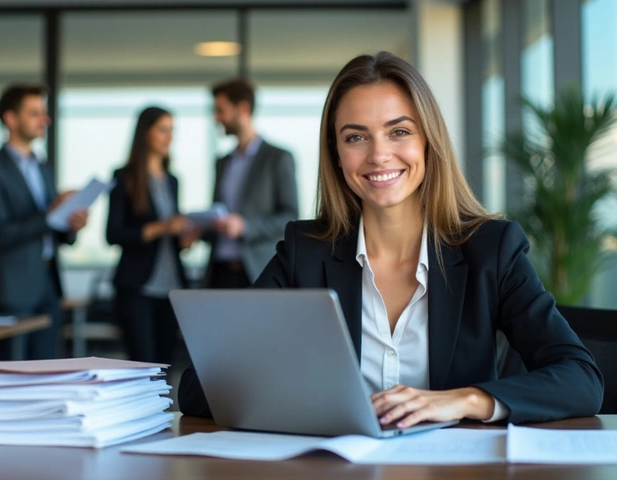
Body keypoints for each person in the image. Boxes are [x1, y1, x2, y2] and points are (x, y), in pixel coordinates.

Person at [178, 52, 604, 425]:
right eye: (356, 137)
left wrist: (464, 401)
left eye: (399, 131)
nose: (378, 154)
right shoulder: (303, 252)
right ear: (338, 154)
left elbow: (581, 377)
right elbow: (199, 387)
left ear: (428, 141)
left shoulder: (491, 249)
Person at [0, 83, 88, 360]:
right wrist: (51, 215)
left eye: (44, 113)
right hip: (14, 288)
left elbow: (52, 228)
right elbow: (1, 232)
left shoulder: (43, 166)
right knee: (14, 375)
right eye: (35, 113)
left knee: (49, 368)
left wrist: (71, 223)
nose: (44, 120)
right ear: (10, 119)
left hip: (49, 282)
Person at [106, 106, 199, 364]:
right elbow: (113, 234)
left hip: (172, 287)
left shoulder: (172, 180)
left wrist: (184, 238)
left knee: (167, 365)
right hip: (138, 287)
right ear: (145, 134)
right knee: (143, 365)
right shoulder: (124, 178)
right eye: (163, 130)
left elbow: (172, 240)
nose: (169, 137)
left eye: (171, 131)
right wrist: (162, 227)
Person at [203, 78, 299, 288]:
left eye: (221, 110)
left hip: (256, 270)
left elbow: (290, 216)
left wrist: (245, 226)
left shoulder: (278, 158)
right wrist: (201, 226)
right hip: (218, 271)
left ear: (242, 109)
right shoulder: (222, 163)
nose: (216, 117)